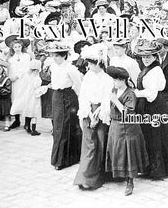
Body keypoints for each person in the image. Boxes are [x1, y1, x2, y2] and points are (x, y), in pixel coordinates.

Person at [135, 40, 168, 179]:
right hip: (150, 106)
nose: (146, 59)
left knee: (156, 136)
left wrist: (135, 92)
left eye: (149, 57)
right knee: (150, 135)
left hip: (155, 106)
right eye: (144, 57)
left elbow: (151, 94)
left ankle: (159, 169)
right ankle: (150, 167)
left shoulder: (155, 71)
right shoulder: (148, 69)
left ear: (155, 57)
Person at [105, 66, 149, 196]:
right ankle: (120, 175)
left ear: (123, 80)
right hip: (115, 125)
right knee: (118, 151)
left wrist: (114, 100)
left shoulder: (130, 93)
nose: (114, 83)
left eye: (116, 80)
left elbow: (127, 112)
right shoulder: (114, 89)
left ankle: (130, 182)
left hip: (128, 127)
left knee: (128, 152)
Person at [74, 46, 112, 191]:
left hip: (101, 113)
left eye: (90, 64)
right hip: (89, 112)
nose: (88, 67)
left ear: (98, 63)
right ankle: (85, 177)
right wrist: (88, 112)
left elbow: (108, 98)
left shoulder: (107, 78)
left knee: (100, 144)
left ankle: (98, 176)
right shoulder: (88, 76)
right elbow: (83, 95)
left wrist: (100, 112)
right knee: (89, 145)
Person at [47, 43, 83, 170]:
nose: (54, 58)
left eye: (57, 55)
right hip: (56, 96)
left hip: (68, 98)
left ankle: (66, 159)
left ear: (64, 56)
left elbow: (78, 85)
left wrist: (81, 101)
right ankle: (60, 158)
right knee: (58, 127)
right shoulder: (53, 67)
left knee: (67, 126)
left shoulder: (71, 68)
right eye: (53, 55)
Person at [20, 59, 43, 136]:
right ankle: (33, 129)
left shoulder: (27, 76)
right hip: (34, 97)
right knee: (34, 112)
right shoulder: (37, 78)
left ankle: (27, 125)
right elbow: (37, 87)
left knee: (28, 110)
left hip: (28, 96)